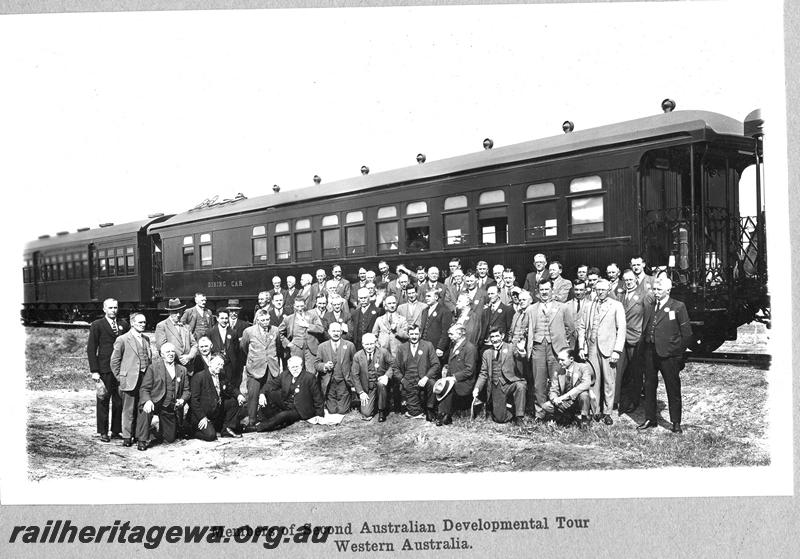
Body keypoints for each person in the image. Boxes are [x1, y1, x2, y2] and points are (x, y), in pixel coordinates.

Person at [638, 277, 692, 434]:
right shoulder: (650, 306)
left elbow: (687, 334)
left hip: (669, 355)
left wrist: (677, 354)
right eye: (654, 289)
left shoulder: (678, 306)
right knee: (649, 386)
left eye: (659, 290)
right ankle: (650, 419)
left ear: (668, 290)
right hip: (650, 352)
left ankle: (675, 422)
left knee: (673, 388)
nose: (656, 292)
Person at [578, 279, 626, 424]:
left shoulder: (616, 305)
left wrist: (617, 350)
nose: (600, 292)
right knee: (593, 381)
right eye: (597, 289)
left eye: (603, 290)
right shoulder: (588, 305)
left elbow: (621, 329)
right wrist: (581, 347)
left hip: (608, 348)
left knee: (609, 381)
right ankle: (595, 410)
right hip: (592, 348)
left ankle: (607, 412)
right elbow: (581, 327)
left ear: (609, 289)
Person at [525, 279, 571, 420]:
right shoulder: (531, 309)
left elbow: (570, 328)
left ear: (552, 290)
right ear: (538, 292)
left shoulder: (562, 307)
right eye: (542, 290)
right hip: (538, 347)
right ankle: (540, 413)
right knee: (539, 382)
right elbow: (526, 329)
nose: (544, 292)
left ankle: (556, 413)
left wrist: (562, 343)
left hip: (555, 348)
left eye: (547, 289)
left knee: (556, 381)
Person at [87, 297, 128, 442]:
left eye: (115, 307)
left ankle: (116, 430)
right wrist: (94, 371)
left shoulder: (124, 324)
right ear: (104, 309)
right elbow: (91, 349)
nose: (113, 310)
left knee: (119, 401)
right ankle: (103, 431)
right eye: (110, 308)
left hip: (121, 369)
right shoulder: (97, 325)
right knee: (103, 399)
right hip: (104, 369)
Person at [135, 342, 189, 450]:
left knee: (169, 439)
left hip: (169, 407)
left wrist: (182, 400)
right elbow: (144, 388)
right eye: (167, 352)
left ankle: (155, 431)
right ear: (162, 354)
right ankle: (142, 439)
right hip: (155, 402)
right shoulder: (153, 368)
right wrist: (147, 401)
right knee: (146, 409)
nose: (170, 354)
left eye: (172, 351)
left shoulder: (182, 370)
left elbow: (187, 390)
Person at [110, 313, 153, 447]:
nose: (143, 325)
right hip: (129, 380)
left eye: (144, 322)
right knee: (128, 410)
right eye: (140, 322)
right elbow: (114, 361)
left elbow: (149, 358)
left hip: (144, 379)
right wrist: (121, 378)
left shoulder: (146, 339)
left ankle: (140, 436)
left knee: (142, 408)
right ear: (132, 323)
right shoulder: (123, 339)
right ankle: (127, 437)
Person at [255, 356, 324, 432]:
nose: (295, 369)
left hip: (300, 409)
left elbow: (317, 397)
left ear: (301, 366)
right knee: (269, 393)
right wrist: (262, 394)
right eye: (292, 367)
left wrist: (319, 415)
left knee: (283, 415)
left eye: (297, 367)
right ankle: (263, 419)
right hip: (286, 404)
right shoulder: (285, 375)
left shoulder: (309, 377)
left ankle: (258, 428)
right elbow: (270, 384)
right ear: (288, 367)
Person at [616, 269, 651, 414]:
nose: (628, 282)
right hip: (620, 338)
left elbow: (647, 318)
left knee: (635, 373)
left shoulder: (644, 296)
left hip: (635, 338)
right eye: (626, 280)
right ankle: (616, 401)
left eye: (631, 280)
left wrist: (643, 337)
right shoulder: (620, 295)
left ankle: (634, 401)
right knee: (618, 372)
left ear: (636, 280)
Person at [473, 329, 526, 425]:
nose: (494, 339)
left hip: (510, 382)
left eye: (497, 336)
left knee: (520, 386)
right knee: (500, 419)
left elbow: (520, 357)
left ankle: (519, 416)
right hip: (496, 386)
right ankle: (509, 408)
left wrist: (521, 350)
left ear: (502, 336)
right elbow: (483, 373)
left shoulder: (511, 347)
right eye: (492, 337)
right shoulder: (487, 353)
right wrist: (477, 388)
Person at [239, 309, 282, 428]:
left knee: (269, 392)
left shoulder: (275, 330)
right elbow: (243, 347)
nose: (265, 322)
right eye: (262, 320)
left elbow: (278, 347)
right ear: (257, 320)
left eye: (267, 319)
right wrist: (254, 359)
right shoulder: (249, 331)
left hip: (271, 367)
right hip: (255, 367)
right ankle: (252, 421)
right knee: (253, 394)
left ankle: (268, 419)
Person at [391, 324, 440, 421]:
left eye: (416, 334)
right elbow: (395, 367)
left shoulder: (427, 345)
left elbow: (436, 365)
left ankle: (429, 409)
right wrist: (402, 379)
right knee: (414, 413)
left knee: (432, 383)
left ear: (420, 334)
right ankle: (414, 407)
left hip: (423, 378)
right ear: (408, 335)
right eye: (411, 334)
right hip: (408, 379)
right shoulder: (402, 348)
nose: (414, 336)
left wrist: (426, 378)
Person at [191, 355, 243, 440]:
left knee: (233, 402)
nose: (220, 367)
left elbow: (230, 387)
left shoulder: (221, 375)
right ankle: (192, 432)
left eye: (222, 365)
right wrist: (202, 417)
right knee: (211, 436)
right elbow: (194, 401)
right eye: (218, 364)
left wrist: (239, 395)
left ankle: (227, 429)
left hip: (215, 411)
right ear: (210, 363)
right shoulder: (199, 377)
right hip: (202, 415)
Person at [435, 324, 477, 426]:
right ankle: (442, 413)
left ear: (460, 333)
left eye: (451, 334)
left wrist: (454, 378)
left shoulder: (470, 348)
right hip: (453, 378)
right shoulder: (453, 345)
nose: (449, 336)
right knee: (440, 385)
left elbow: (469, 370)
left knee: (448, 386)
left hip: (464, 381)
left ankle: (445, 414)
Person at [541, 349, 592, 427]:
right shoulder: (558, 371)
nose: (560, 362)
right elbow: (553, 389)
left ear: (571, 359)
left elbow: (586, 384)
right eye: (559, 360)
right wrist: (555, 399)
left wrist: (564, 397)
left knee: (584, 395)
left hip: (577, 401)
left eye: (562, 360)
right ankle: (567, 417)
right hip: (565, 403)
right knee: (546, 406)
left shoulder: (583, 367)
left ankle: (584, 419)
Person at [314, 322, 357, 414]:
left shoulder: (349, 345)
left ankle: (347, 398)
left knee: (342, 411)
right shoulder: (322, 346)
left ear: (341, 332)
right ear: (329, 332)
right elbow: (316, 364)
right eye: (333, 331)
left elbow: (355, 364)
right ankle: (330, 401)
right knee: (332, 411)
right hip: (330, 382)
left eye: (338, 331)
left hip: (344, 382)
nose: (336, 333)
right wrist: (325, 366)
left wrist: (353, 382)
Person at [350, 333, 394, 421]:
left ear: (375, 343)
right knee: (366, 414)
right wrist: (361, 392)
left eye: (371, 344)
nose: (369, 347)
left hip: (380, 383)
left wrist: (386, 376)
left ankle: (382, 411)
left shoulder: (383, 352)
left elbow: (394, 364)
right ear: (362, 344)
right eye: (366, 344)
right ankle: (374, 403)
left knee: (381, 385)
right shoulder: (358, 356)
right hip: (367, 387)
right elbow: (355, 375)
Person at [279, 298, 324, 378]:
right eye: (297, 306)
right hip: (296, 348)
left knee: (311, 373)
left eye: (302, 306)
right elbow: (279, 332)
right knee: (297, 371)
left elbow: (321, 329)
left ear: (305, 305)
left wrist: (307, 325)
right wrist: (288, 343)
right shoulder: (289, 319)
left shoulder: (313, 316)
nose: (300, 308)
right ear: (294, 306)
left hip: (311, 349)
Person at [154, 298, 198, 370]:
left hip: (188, 366)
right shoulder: (162, 326)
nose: (178, 314)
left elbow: (194, 345)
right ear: (169, 312)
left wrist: (189, 356)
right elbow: (161, 347)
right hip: (172, 366)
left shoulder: (186, 326)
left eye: (180, 311)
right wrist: (180, 358)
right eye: (175, 312)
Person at [419, 288, 452, 361]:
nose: (426, 298)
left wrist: (440, 347)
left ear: (436, 297)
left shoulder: (444, 311)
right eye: (426, 296)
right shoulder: (425, 311)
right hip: (424, 347)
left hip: (436, 348)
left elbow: (445, 332)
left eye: (429, 296)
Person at [372, 294, 409, 358]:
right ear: (385, 305)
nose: (392, 305)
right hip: (383, 352)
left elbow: (406, 336)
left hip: (397, 352)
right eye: (389, 303)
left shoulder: (402, 319)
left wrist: (397, 330)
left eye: (394, 303)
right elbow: (374, 335)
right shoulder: (379, 319)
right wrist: (378, 346)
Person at [348, 287, 382, 351]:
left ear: (369, 298)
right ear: (358, 299)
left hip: (372, 344)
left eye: (365, 298)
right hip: (358, 344)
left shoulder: (377, 311)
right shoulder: (355, 313)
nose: (363, 300)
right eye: (361, 298)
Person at [480, 285, 513, 351]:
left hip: (500, 345)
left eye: (492, 293)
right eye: (489, 294)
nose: (490, 296)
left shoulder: (507, 309)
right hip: (486, 345)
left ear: (498, 293)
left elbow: (509, 329)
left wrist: (504, 343)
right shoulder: (485, 311)